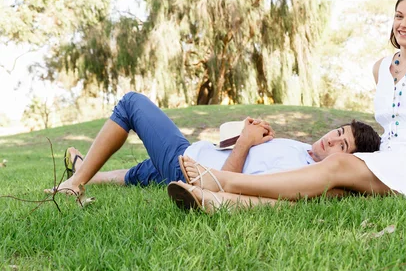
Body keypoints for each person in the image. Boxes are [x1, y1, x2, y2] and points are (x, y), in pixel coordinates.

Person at [168, 0, 406, 213]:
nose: (403, 24)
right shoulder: (380, 68)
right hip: (386, 156)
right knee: (334, 190)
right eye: (399, 16)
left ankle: (226, 182)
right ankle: (225, 204)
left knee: (338, 166)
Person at [46, 92, 381, 195]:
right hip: (194, 153)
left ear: (348, 162)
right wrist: (250, 133)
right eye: (337, 132)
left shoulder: (300, 171)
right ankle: (83, 168)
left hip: (188, 162)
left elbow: (224, 184)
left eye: (342, 145)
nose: (331, 139)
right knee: (137, 175)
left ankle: (75, 184)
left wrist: (247, 143)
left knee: (131, 104)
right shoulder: (301, 150)